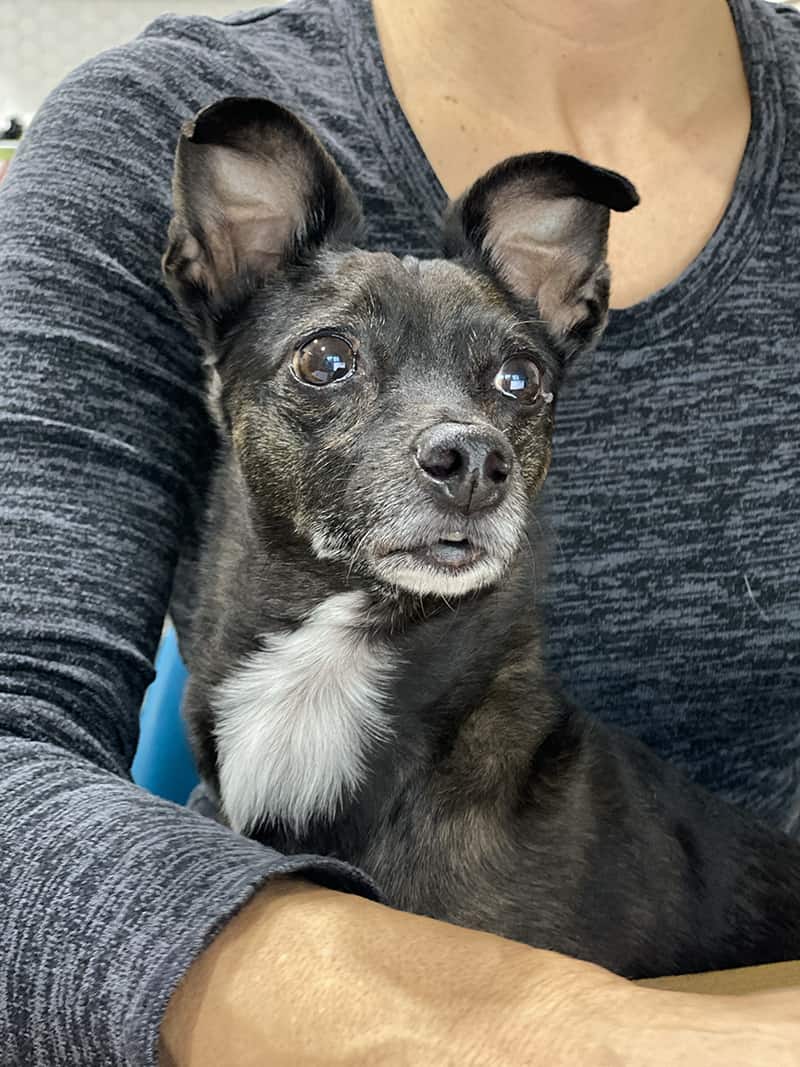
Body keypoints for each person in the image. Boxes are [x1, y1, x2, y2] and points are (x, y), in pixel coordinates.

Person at [0, 0, 798, 1063]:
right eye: (328, 366)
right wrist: (507, 1026)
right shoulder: (148, 116)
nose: (467, 446)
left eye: (510, 380)